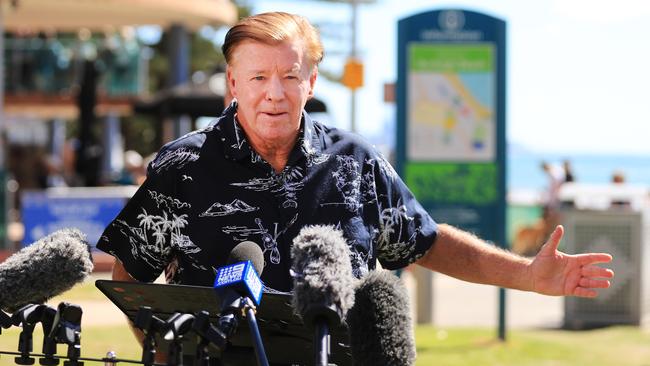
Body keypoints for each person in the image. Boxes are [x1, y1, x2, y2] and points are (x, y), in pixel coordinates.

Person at [98, 10, 613, 358]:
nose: (274, 94)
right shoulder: (181, 166)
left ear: (312, 81)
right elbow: (129, 273)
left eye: (290, 76)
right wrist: (161, 350)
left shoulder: (354, 161)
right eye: (257, 78)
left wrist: (527, 275)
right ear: (233, 84)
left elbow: (425, 243)